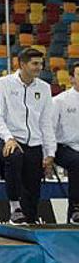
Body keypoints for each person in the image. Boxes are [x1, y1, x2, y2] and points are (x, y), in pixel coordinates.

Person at [0, 48, 56, 225]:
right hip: (8, 139)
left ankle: (30, 220)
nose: (39, 67)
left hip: (34, 143)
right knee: (15, 156)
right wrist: (8, 138)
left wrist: (50, 152)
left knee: (33, 189)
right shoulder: (2, 84)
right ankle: (14, 207)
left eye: (41, 64)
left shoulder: (44, 88)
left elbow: (46, 122)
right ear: (21, 64)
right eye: (35, 63)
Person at [54, 62, 79, 224]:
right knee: (77, 161)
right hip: (62, 147)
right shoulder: (59, 101)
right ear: (71, 79)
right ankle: (76, 209)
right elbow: (48, 129)